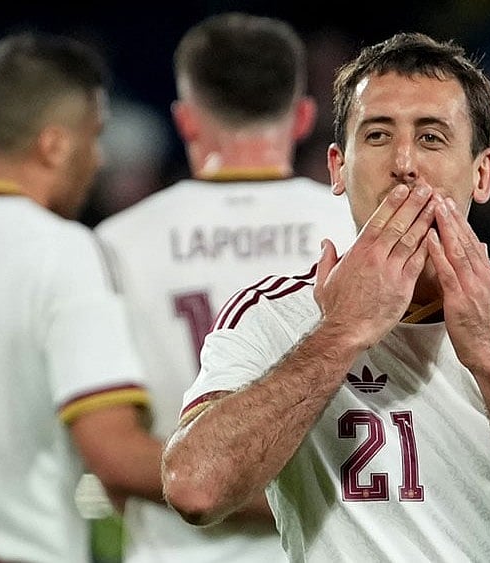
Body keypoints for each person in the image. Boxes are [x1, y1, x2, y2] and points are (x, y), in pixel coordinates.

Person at [161, 31, 490, 563]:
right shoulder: (269, 313)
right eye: (379, 136)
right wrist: (340, 334)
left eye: (432, 137)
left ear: (482, 174)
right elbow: (194, 489)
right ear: (338, 167)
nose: (405, 162)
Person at [94, 12, 356, 563]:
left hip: (176, 546)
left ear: (186, 121)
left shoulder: (115, 243)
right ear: (305, 116)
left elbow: (110, 451)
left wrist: (218, 477)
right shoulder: (358, 230)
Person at [0, 32, 165, 563]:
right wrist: (258, 478)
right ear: (53, 144)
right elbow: (114, 456)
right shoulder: (60, 250)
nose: (98, 160)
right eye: (94, 137)